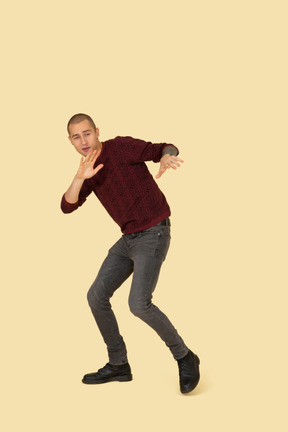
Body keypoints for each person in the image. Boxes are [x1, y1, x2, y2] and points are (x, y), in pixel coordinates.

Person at [61, 113, 200, 394]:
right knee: (96, 295)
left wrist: (166, 156)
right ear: (70, 141)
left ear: (97, 131)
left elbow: (162, 147)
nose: (83, 141)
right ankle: (118, 364)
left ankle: (185, 356)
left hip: (153, 231)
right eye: (76, 137)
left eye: (87, 133)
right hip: (128, 239)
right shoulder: (89, 169)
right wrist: (79, 177)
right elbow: (67, 205)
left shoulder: (120, 147)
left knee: (139, 304)